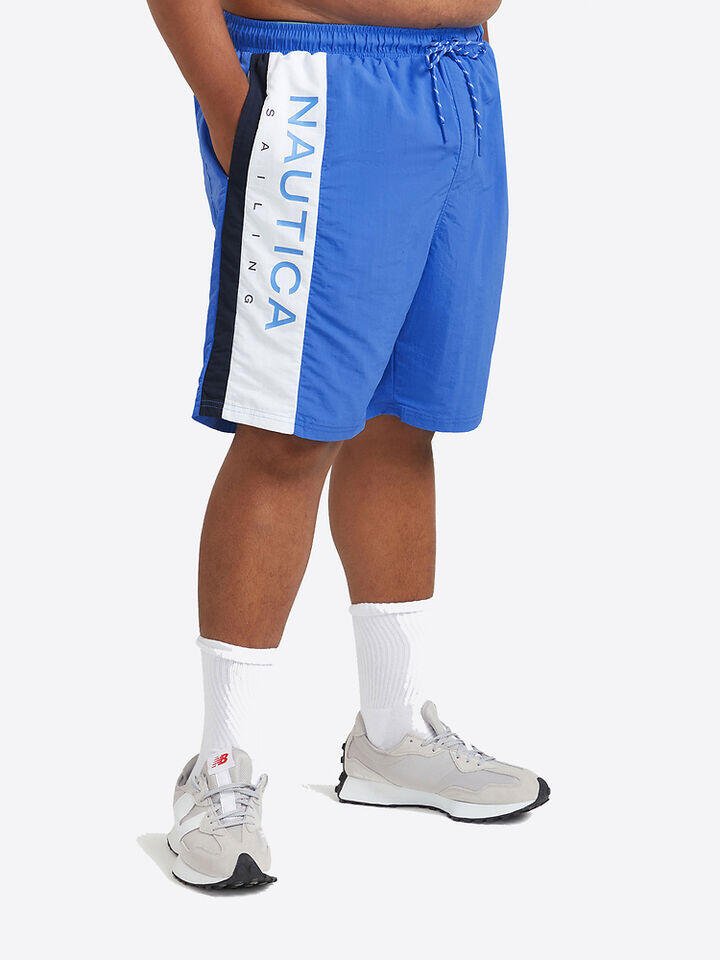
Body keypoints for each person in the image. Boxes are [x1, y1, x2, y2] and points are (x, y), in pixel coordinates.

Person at [148, 0, 549, 891]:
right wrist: (227, 101)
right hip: (315, 83)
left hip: (455, 80)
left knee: (402, 421)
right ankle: (220, 769)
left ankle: (393, 737)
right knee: (288, 433)